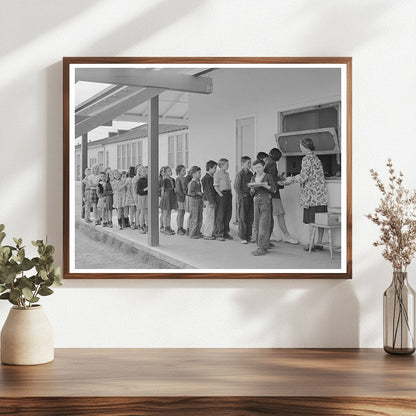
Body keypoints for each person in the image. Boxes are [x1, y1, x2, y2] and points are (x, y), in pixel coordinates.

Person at [279, 137, 328, 251]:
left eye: (301, 146)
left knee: (311, 220)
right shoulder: (316, 159)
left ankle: (310, 243)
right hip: (321, 196)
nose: (300, 148)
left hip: (311, 196)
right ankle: (319, 242)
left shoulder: (306, 159)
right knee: (320, 220)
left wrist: (289, 180)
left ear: (305, 146)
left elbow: (303, 177)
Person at [265, 148, 299, 245]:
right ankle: (286, 235)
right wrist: (283, 181)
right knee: (280, 214)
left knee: (270, 214)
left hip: (267, 193)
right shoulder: (272, 164)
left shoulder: (266, 161)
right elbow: (271, 180)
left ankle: (271, 234)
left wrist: (279, 177)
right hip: (273, 193)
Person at [249, 159, 276, 256]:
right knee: (256, 224)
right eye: (255, 168)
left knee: (263, 224)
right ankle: (260, 245)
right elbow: (251, 193)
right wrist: (252, 189)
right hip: (256, 201)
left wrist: (266, 186)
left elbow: (274, 189)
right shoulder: (253, 177)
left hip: (266, 201)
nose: (257, 169)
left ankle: (262, 248)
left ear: (263, 167)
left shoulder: (268, 176)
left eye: (259, 167)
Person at [234, 156, 254, 244]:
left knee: (250, 218)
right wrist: (243, 195)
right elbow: (236, 187)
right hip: (243, 198)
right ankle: (242, 236)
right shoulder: (240, 174)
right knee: (242, 217)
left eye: (250, 163)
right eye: (248, 163)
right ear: (243, 164)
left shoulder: (251, 174)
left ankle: (249, 236)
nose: (250, 164)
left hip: (250, 198)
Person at [213, 158, 233, 241]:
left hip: (228, 194)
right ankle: (218, 233)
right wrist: (221, 195)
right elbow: (215, 186)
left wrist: (231, 193)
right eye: (227, 164)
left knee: (228, 214)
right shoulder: (217, 174)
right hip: (222, 195)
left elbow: (229, 184)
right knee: (220, 214)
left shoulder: (227, 174)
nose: (228, 166)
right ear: (221, 165)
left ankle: (225, 232)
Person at [201, 160, 218, 240]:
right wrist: (211, 202)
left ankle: (209, 232)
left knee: (211, 217)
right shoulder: (206, 178)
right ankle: (207, 234)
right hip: (209, 201)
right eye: (214, 168)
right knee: (209, 217)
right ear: (209, 168)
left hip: (211, 200)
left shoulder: (211, 177)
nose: (215, 170)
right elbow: (207, 191)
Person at [187, 166, 204, 239]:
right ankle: (192, 233)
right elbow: (190, 193)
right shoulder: (192, 183)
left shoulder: (199, 182)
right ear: (193, 174)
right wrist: (197, 193)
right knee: (194, 217)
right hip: (194, 202)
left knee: (200, 217)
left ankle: (197, 231)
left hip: (199, 201)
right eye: (199, 173)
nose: (200, 174)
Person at [160, 166, 177, 235]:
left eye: (170, 170)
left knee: (169, 212)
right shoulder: (164, 180)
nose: (170, 172)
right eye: (168, 171)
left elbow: (175, 188)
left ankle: (168, 226)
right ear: (165, 172)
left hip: (171, 195)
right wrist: (162, 198)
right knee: (165, 212)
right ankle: (164, 227)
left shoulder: (173, 179)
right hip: (166, 196)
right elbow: (162, 189)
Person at [136, 166, 148, 234]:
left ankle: (147, 225)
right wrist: (145, 189)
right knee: (142, 212)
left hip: (147, 196)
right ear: (139, 173)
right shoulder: (139, 181)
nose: (145, 173)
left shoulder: (147, 179)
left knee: (147, 212)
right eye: (143, 171)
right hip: (142, 197)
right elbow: (138, 191)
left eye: (145, 171)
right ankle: (141, 226)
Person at [175, 165, 187, 235]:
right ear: (179, 172)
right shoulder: (178, 179)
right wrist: (183, 196)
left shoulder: (185, 179)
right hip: (180, 198)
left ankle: (181, 227)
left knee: (183, 213)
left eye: (185, 170)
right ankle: (179, 228)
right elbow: (178, 190)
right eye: (183, 170)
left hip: (184, 198)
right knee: (180, 213)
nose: (185, 172)